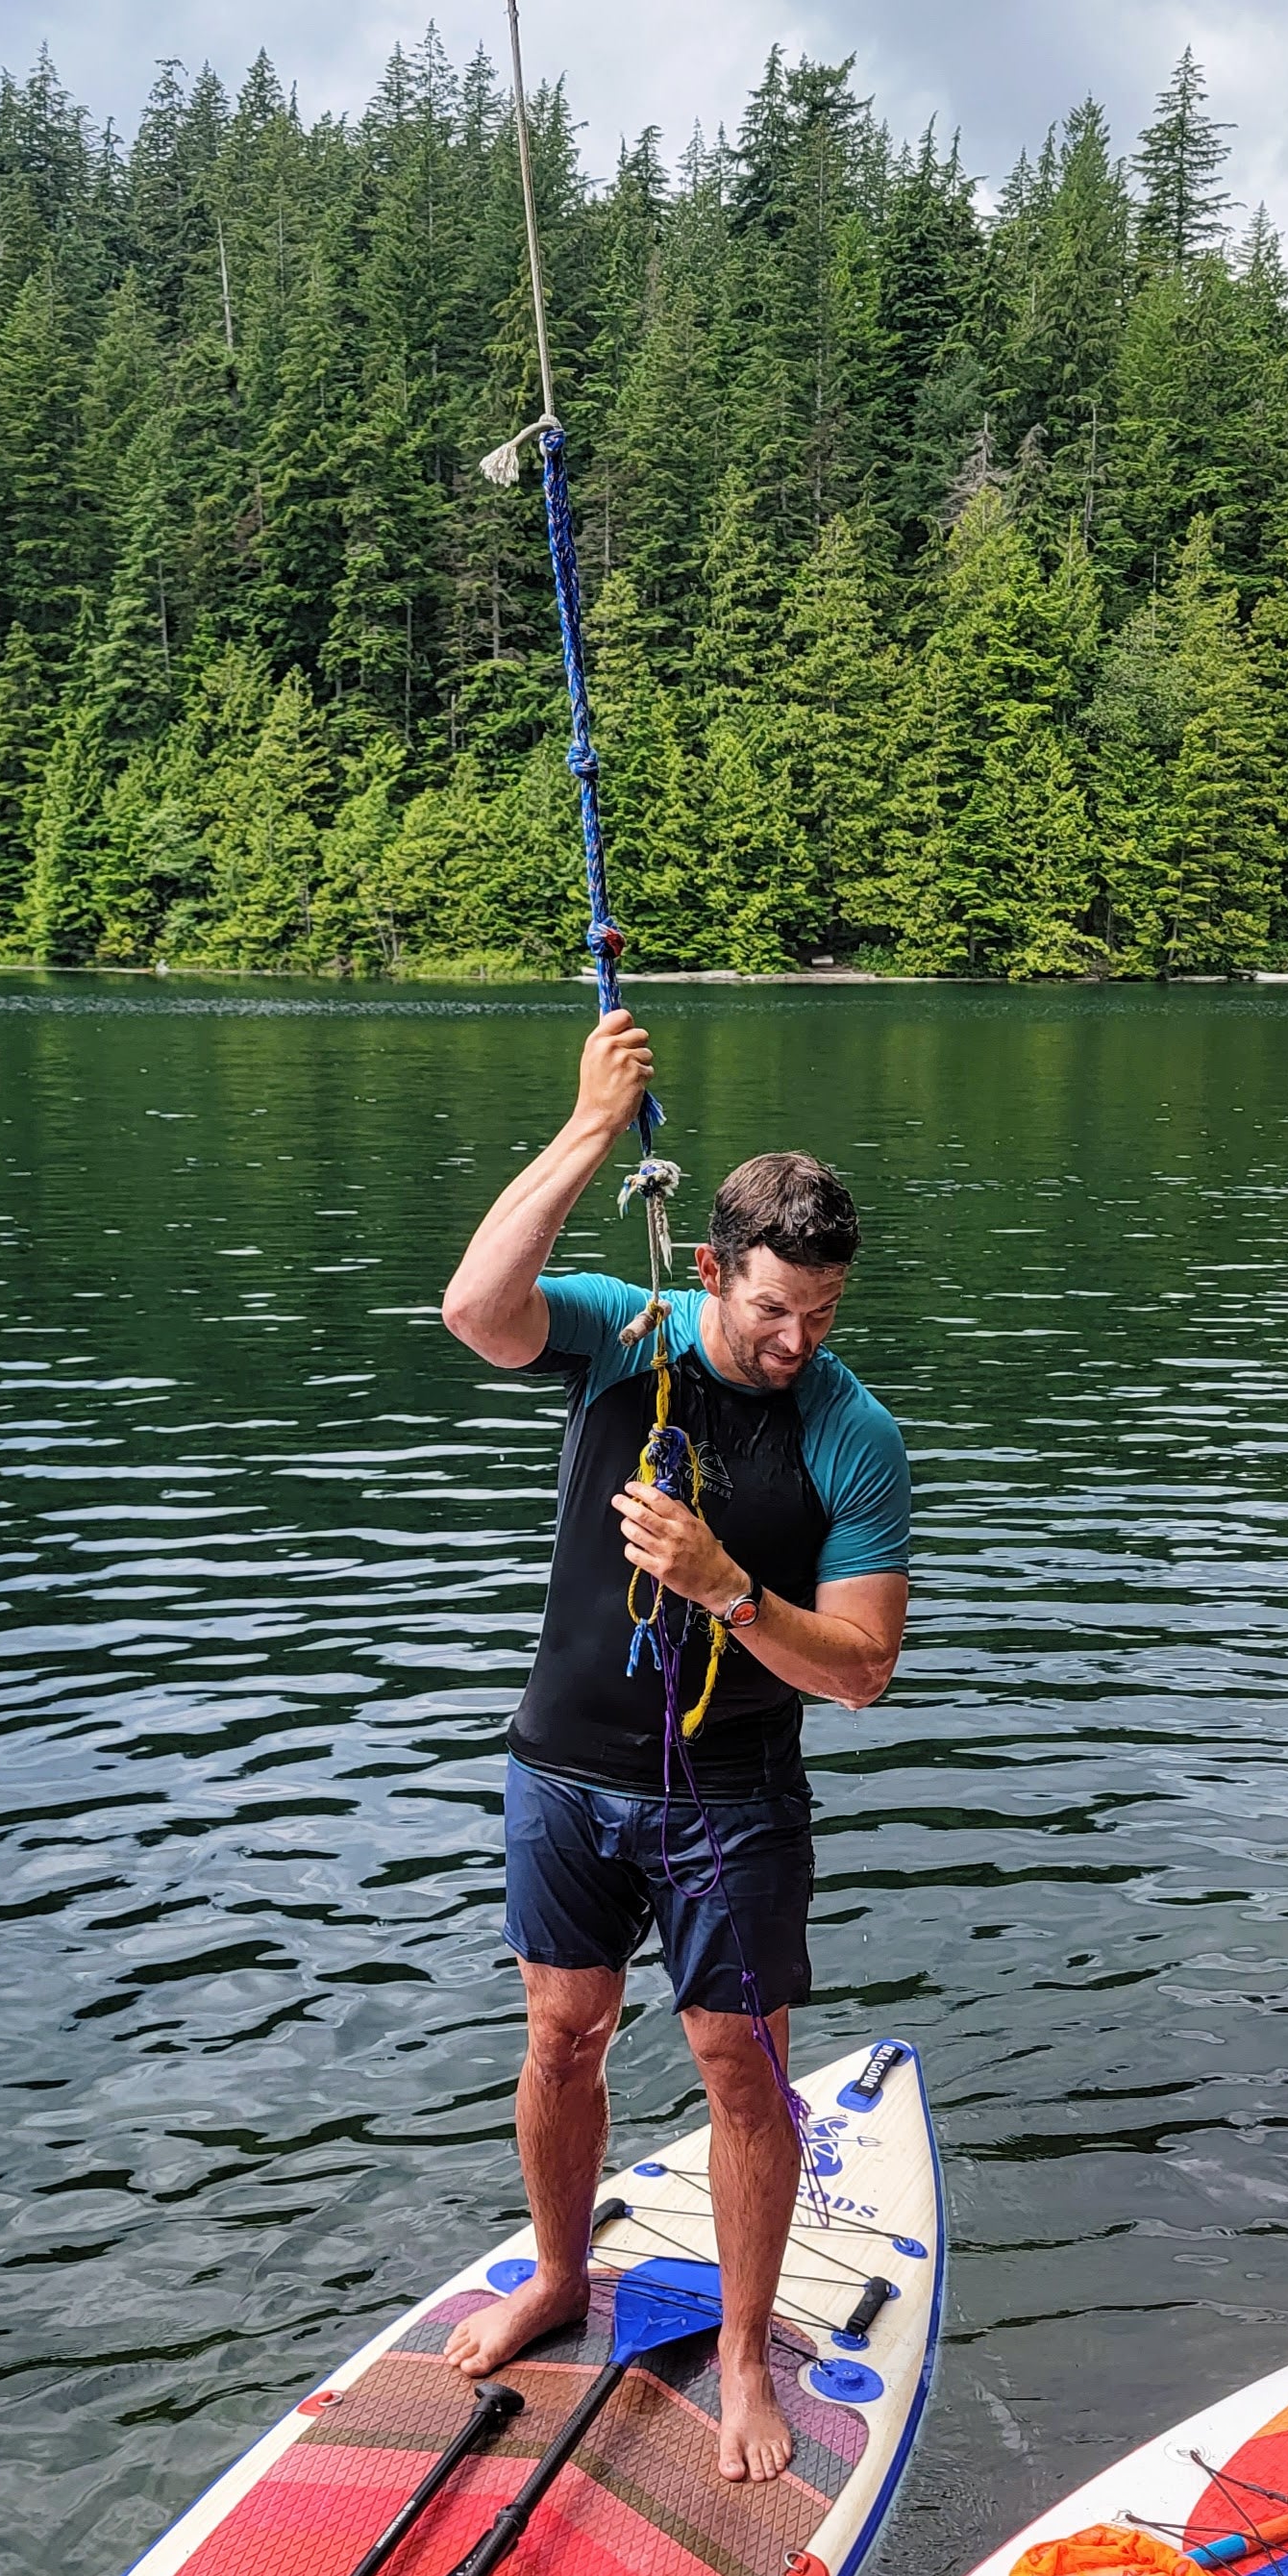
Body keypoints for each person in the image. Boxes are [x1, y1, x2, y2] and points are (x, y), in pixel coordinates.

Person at [438, 1006, 911, 2484]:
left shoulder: (852, 1434)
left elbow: (864, 1673)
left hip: (733, 1797)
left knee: (739, 2069)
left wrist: (727, 1588)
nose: (797, 1341)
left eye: (823, 1313)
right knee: (562, 2035)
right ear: (711, 1268)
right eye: (774, 1309)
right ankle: (563, 2280)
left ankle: (738, 2352)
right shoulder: (621, 1329)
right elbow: (474, 1311)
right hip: (564, 1776)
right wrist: (587, 1128)